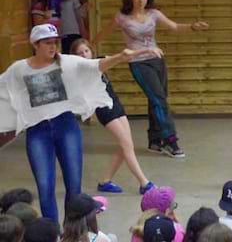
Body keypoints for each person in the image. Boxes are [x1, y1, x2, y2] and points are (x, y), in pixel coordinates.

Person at [0, 24, 150, 224]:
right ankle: (51, 232)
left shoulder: (67, 62)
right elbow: (2, 88)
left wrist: (120, 57)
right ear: (35, 44)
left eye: (55, 42)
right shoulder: (19, 69)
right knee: (45, 186)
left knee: (74, 186)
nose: (53, 47)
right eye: (47, 43)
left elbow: (95, 65)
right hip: (38, 132)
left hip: (66, 127)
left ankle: (73, 232)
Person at [97, 0, 209, 158]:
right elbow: (103, 34)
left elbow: (174, 27)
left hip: (157, 60)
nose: (141, 0)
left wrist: (193, 26)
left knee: (157, 99)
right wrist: (86, 47)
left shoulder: (154, 14)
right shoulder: (122, 17)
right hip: (138, 63)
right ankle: (170, 140)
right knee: (158, 99)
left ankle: (155, 140)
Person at [71, 38, 155, 194]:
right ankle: (145, 184)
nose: (84, 55)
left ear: (91, 50)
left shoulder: (98, 61)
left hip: (115, 103)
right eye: (80, 53)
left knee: (125, 146)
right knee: (126, 146)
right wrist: (146, 50)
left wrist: (145, 51)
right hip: (105, 110)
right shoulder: (83, 68)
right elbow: (122, 56)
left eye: (86, 51)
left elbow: (123, 56)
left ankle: (105, 181)